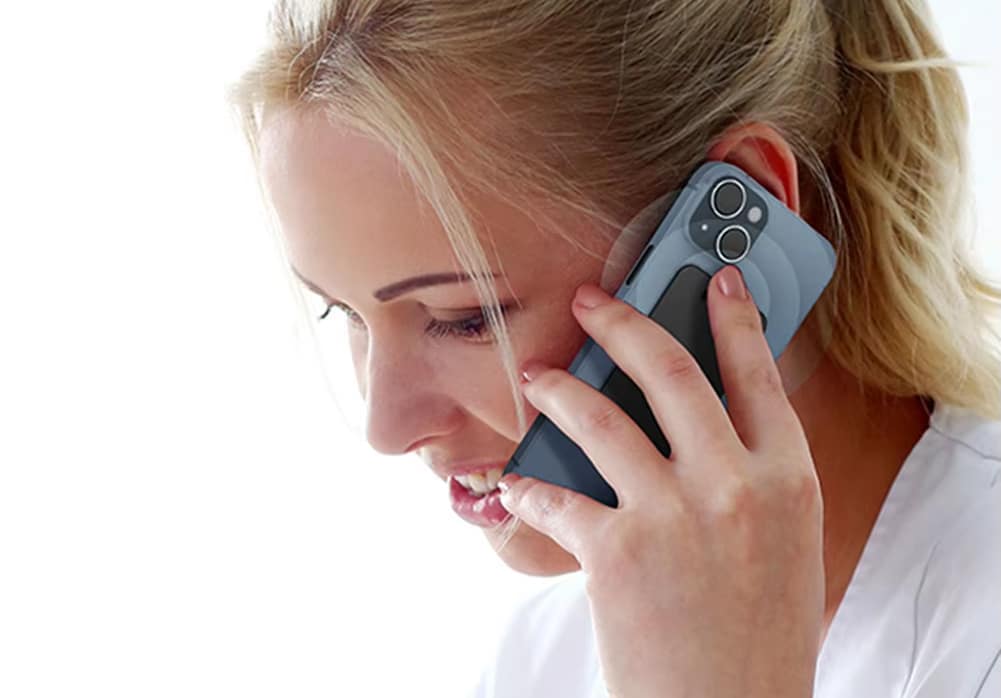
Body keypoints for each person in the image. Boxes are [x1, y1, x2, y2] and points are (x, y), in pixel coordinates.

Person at [226, 1, 1001, 695]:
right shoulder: (544, 656)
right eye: (342, 312)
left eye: (464, 317)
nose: (386, 428)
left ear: (736, 221)